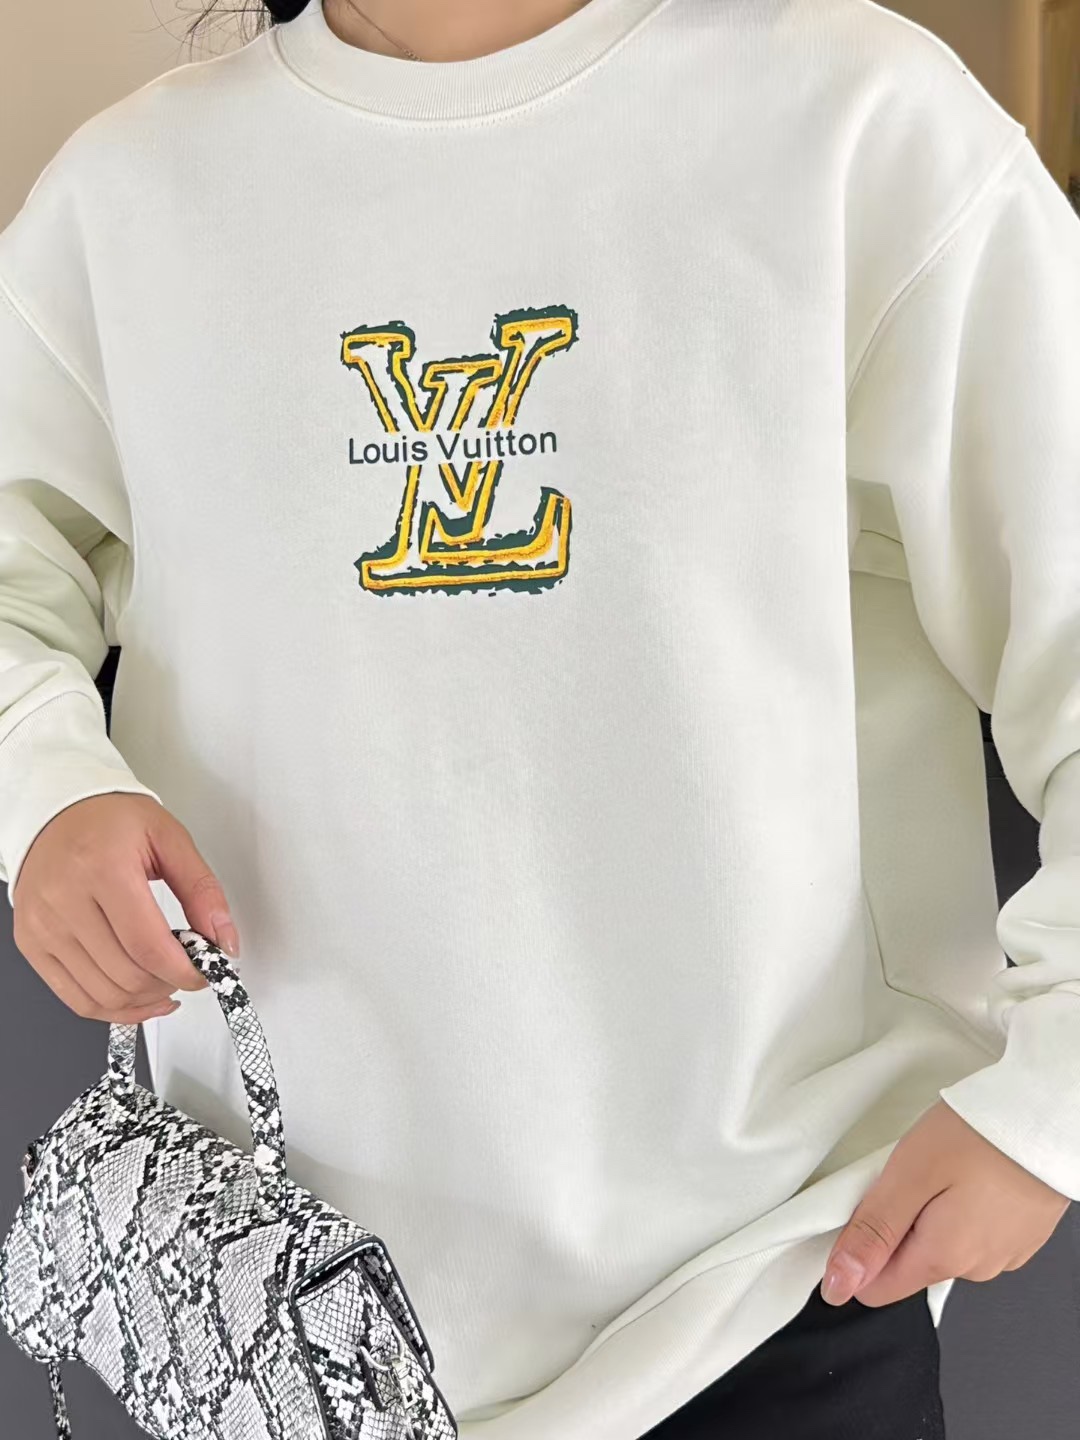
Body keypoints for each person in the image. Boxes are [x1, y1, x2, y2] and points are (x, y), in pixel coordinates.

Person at [0, 0, 1077, 1435]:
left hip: (767, 1288)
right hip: (277, 1321)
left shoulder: (856, 122)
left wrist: (1052, 1103)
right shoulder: (126, 199)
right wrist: (44, 791)